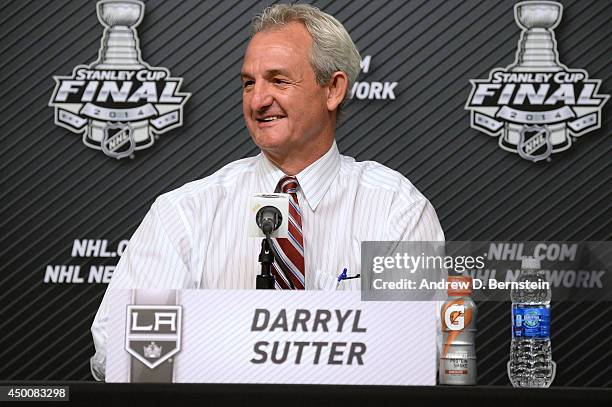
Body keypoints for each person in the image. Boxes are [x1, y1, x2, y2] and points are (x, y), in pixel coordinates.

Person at [90, 3, 444, 381]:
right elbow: (117, 347)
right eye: (249, 83)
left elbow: (423, 344)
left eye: (278, 81)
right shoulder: (184, 212)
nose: (257, 101)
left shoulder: (396, 209)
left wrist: (260, 343)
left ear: (333, 89)